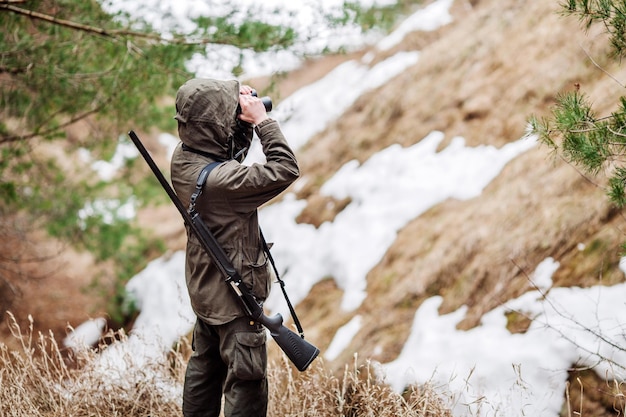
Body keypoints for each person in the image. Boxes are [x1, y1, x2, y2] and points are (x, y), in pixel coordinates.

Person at [170, 78, 300, 417]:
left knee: (204, 370)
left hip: (206, 290)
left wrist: (232, 112)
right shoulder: (224, 182)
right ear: (216, 126)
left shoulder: (183, 160)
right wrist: (262, 123)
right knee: (246, 382)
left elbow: (222, 151)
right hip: (237, 299)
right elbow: (285, 168)